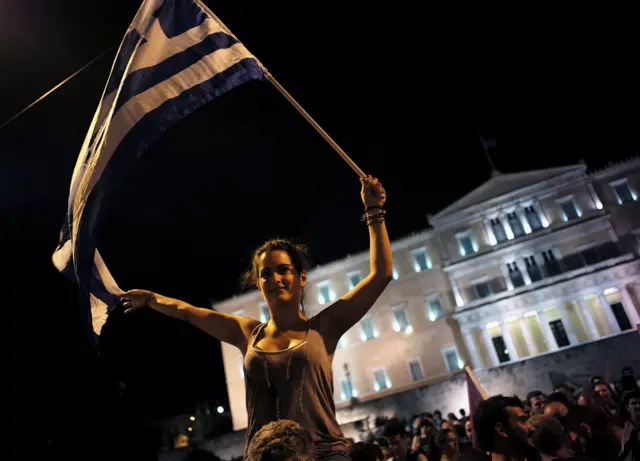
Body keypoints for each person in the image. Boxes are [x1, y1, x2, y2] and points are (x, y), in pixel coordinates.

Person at [122, 176, 392, 460]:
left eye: (283, 270)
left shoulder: (325, 327)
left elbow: (381, 275)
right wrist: (152, 299)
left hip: (323, 453)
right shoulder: (247, 332)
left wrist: (374, 212)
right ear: (259, 283)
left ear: (301, 278)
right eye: (266, 273)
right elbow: (189, 313)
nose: (275, 278)